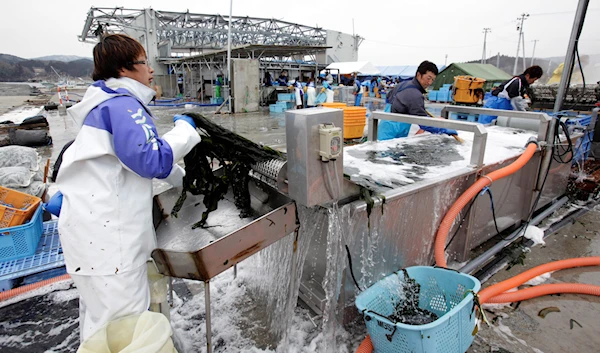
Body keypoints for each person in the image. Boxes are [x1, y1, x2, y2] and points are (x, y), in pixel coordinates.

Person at [54, 34, 201, 342]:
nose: (150, 69)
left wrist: (175, 173)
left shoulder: (101, 106)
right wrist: (185, 132)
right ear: (124, 69)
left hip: (91, 240)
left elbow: (121, 162)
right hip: (111, 248)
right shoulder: (123, 105)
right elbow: (150, 159)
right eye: (144, 62)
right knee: (127, 330)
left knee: (100, 328)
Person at [378, 60, 457, 140]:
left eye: (432, 80)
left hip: (384, 127)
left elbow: (388, 98)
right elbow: (424, 123)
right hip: (394, 132)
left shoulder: (404, 84)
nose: (430, 82)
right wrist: (443, 128)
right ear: (419, 75)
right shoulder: (415, 94)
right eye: (428, 78)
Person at [479, 65, 543, 124]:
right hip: (496, 105)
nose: (533, 82)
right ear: (528, 75)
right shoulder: (517, 82)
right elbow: (516, 101)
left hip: (502, 106)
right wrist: (524, 114)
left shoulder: (522, 83)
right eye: (533, 79)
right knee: (486, 126)